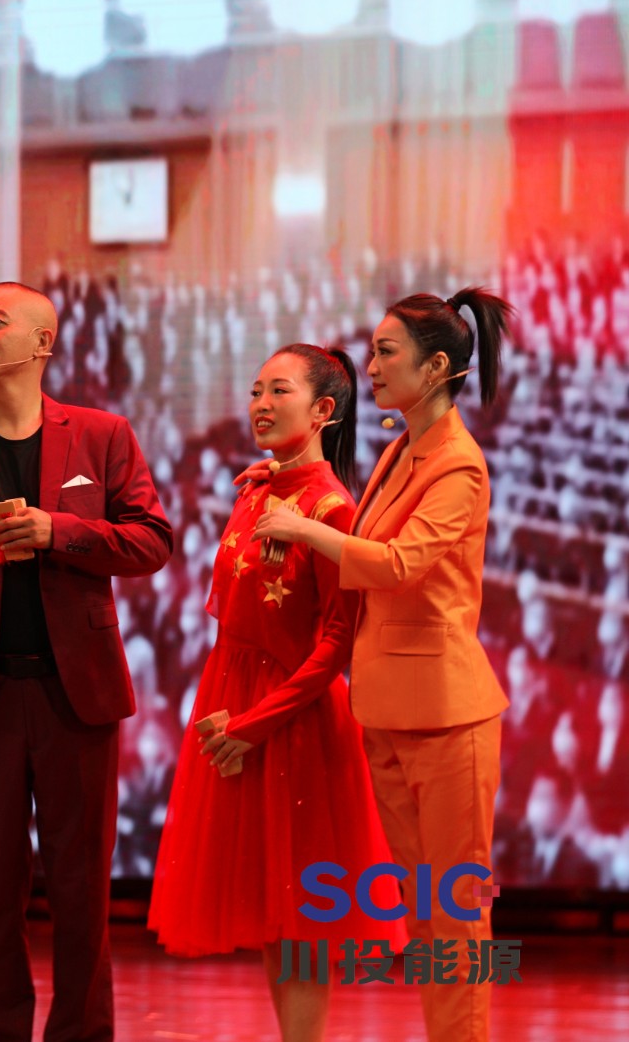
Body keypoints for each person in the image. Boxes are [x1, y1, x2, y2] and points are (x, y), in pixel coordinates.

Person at [0, 282, 173, 1041]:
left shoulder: (103, 434)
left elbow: (152, 541)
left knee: (83, 894)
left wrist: (61, 532)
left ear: (42, 343)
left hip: (76, 696)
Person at [255, 289, 512, 1041]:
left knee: (455, 912)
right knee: (425, 912)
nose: (369, 366)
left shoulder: (458, 465)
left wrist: (304, 528)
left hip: (448, 715)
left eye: (385, 352)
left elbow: (398, 564)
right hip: (389, 708)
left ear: (435, 369)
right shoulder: (403, 448)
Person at [148, 345, 400, 1041]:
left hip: (293, 720)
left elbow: (337, 644)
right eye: (257, 390)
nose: (260, 404)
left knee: (304, 916)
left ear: (323, 410)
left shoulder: (333, 509)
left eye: (278, 391)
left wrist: (254, 725)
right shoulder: (254, 489)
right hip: (232, 700)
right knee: (271, 907)